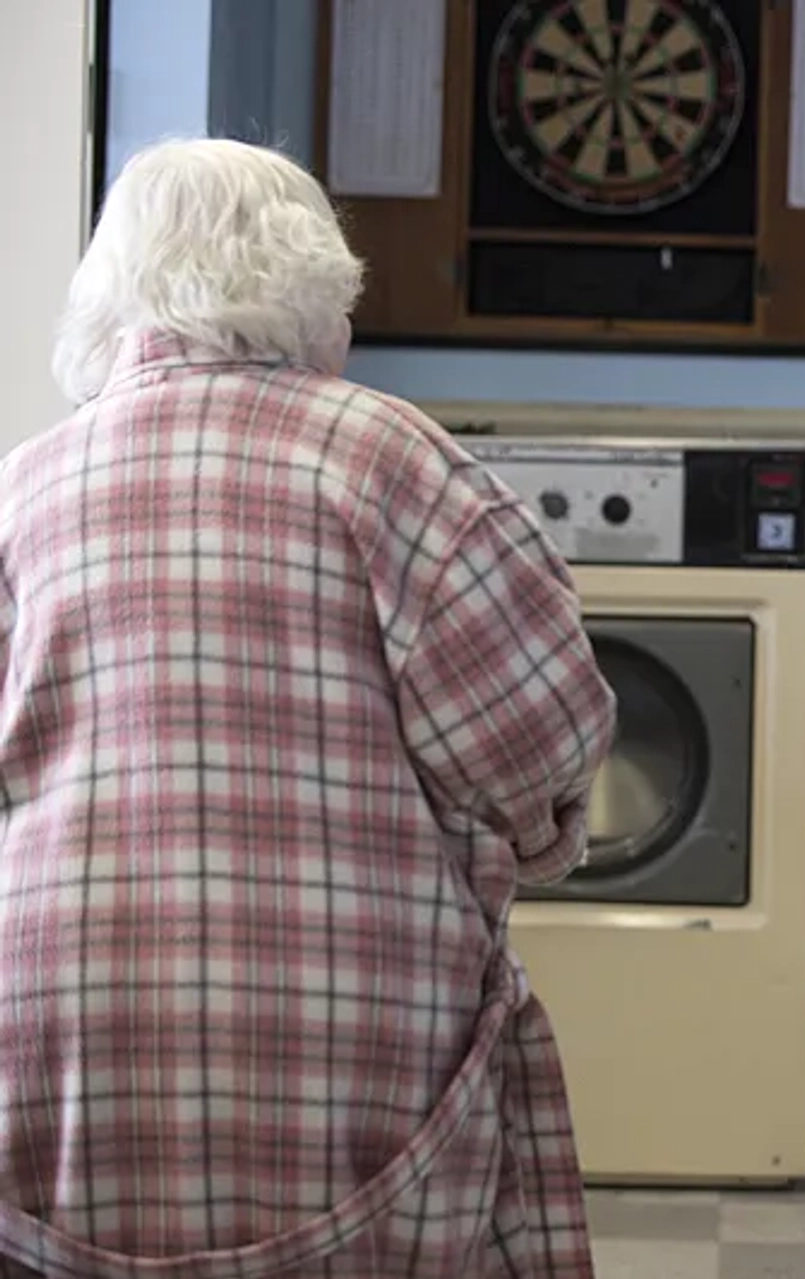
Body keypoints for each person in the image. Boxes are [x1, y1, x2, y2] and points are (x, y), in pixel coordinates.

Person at [0, 138, 618, 1276]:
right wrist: (535, 841)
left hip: (59, 1056)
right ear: (319, 284)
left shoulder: (25, 485)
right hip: (348, 1058)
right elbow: (545, 737)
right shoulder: (395, 461)